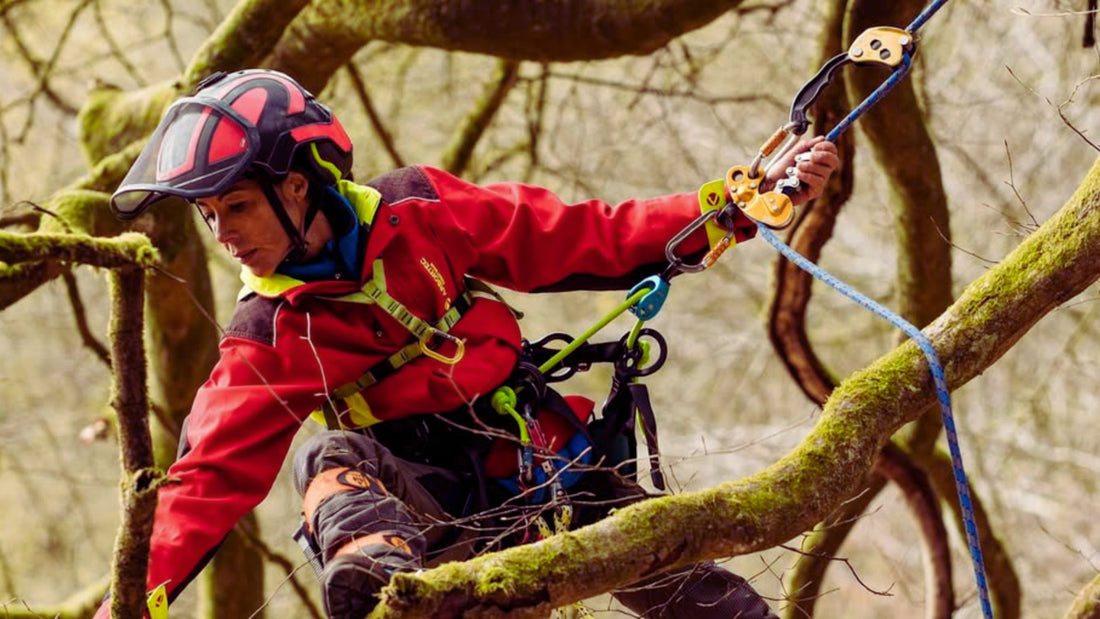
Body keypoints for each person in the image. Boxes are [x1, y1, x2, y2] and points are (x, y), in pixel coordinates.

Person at [96, 69, 839, 619]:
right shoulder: (269, 335)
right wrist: (124, 606)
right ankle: (378, 580)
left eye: (236, 206)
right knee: (328, 458)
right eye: (209, 216)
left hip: (546, 464)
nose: (223, 236)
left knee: (707, 595)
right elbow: (204, 484)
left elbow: (583, 235)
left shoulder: (419, 208)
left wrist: (739, 204)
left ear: (297, 185)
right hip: (431, 517)